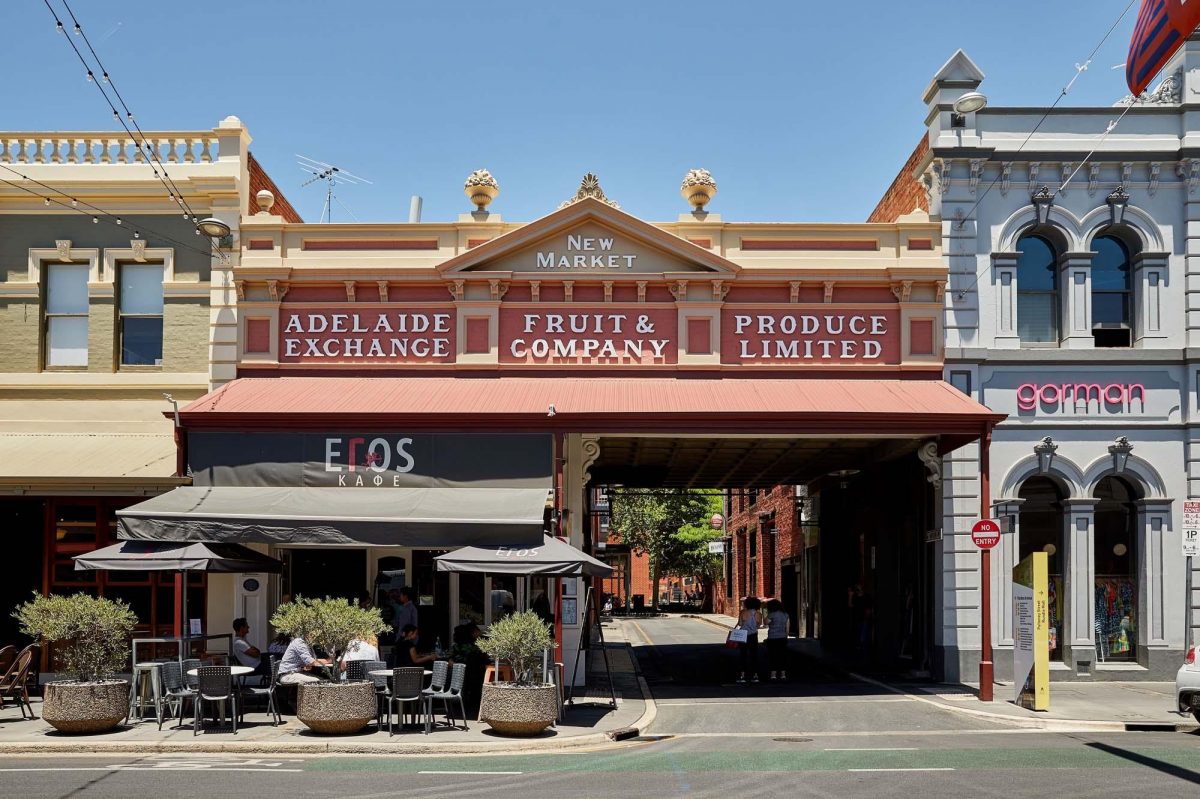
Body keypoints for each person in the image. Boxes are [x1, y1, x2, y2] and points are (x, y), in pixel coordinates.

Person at [735, 596, 761, 684]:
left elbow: (740, 623)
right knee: (754, 655)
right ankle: (755, 675)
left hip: (743, 635)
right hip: (753, 635)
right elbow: (758, 625)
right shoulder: (758, 614)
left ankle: (742, 675)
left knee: (743, 655)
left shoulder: (743, 612)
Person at [764, 599, 789, 681]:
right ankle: (783, 674)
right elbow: (787, 628)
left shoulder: (772, 615)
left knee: (773, 656)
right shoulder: (785, 615)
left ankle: (773, 674)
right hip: (783, 638)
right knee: (782, 656)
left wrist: (767, 616)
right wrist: (785, 636)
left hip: (773, 638)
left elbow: (766, 623)